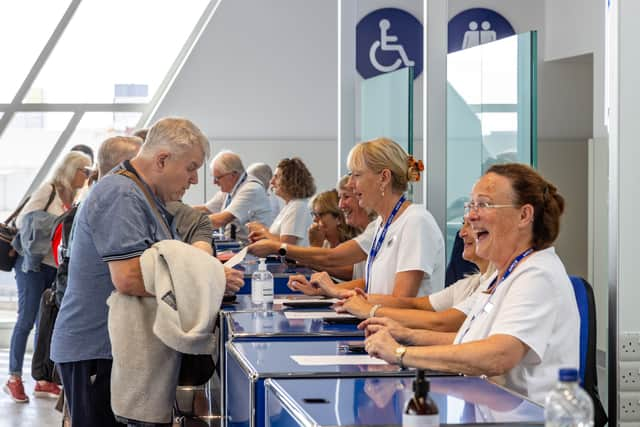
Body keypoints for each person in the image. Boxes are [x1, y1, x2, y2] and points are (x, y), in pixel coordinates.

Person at [50, 118, 243, 426]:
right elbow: (128, 277)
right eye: (191, 167)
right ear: (162, 159)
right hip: (98, 351)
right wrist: (209, 278)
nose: (194, 179)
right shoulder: (121, 194)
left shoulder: (143, 195)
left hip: (112, 350)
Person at [361, 163, 579, 404]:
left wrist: (401, 353)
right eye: (471, 205)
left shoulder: (538, 275)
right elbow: (472, 340)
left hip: (529, 417)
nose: (470, 216)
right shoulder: (504, 273)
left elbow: (498, 354)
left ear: (524, 215)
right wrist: (408, 335)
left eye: (483, 205)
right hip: (494, 407)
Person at [286, 138, 445, 298]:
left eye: (356, 175)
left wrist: (335, 291)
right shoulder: (382, 224)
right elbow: (372, 284)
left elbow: (400, 300)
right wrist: (323, 290)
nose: (350, 184)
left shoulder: (416, 221)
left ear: (384, 177)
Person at [4, 151, 91, 403]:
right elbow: (23, 220)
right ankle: (13, 378)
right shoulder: (49, 189)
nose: (86, 176)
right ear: (71, 170)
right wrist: (56, 222)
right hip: (32, 265)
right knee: (26, 320)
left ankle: (42, 379)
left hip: (54, 266)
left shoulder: (74, 196)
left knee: (46, 323)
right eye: (83, 171)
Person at [337, 219, 495, 332]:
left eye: (470, 225)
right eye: (463, 224)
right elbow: (413, 304)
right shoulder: (469, 283)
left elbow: (443, 323)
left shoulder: (494, 283)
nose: (461, 234)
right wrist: (359, 299)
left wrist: (370, 310)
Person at [248, 175, 373, 281]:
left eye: (320, 215)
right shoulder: (366, 231)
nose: (341, 205)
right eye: (314, 215)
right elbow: (360, 281)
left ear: (337, 218)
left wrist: (276, 247)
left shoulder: (369, 233)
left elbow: (333, 260)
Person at [195, 151, 272, 242]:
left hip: (251, 252)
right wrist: (179, 210)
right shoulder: (231, 188)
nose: (214, 182)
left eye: (217, 178)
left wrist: (189, 221)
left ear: (233, 175)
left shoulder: (251, 189)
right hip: (237, 247)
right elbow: (205, 209)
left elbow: (221, 220)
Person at [248, 157, 316, 246]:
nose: (271, 182)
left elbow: (286, 246)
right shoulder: (291, 205)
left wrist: (263, 231)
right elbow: (278, 239)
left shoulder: (297, 207)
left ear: (290, 180)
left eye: (276, 177)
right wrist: (261, 235)